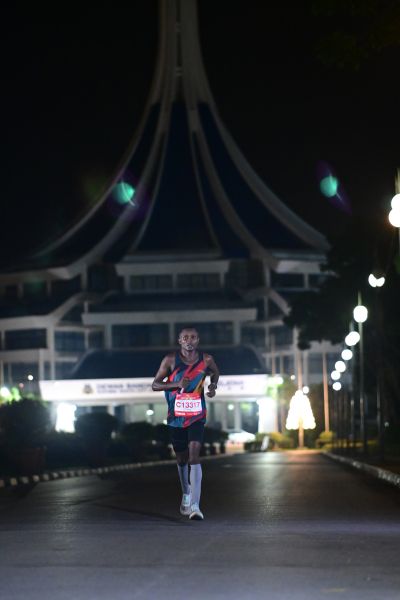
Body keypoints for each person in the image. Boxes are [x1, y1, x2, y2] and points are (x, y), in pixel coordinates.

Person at [152, 327, 219, 520]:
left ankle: (196, 506)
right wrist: (176, 384)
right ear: (179, 341)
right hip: (176, 416)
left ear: (198, 340)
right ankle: (186, 493)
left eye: (193, 337)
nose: (189, 340)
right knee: (181, 458)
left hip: (197, 414)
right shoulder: (170, 360)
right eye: (185, 337)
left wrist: (213, 385)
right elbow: (155, 384)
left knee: (194, 453)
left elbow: (215, 372)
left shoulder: (206, 359)